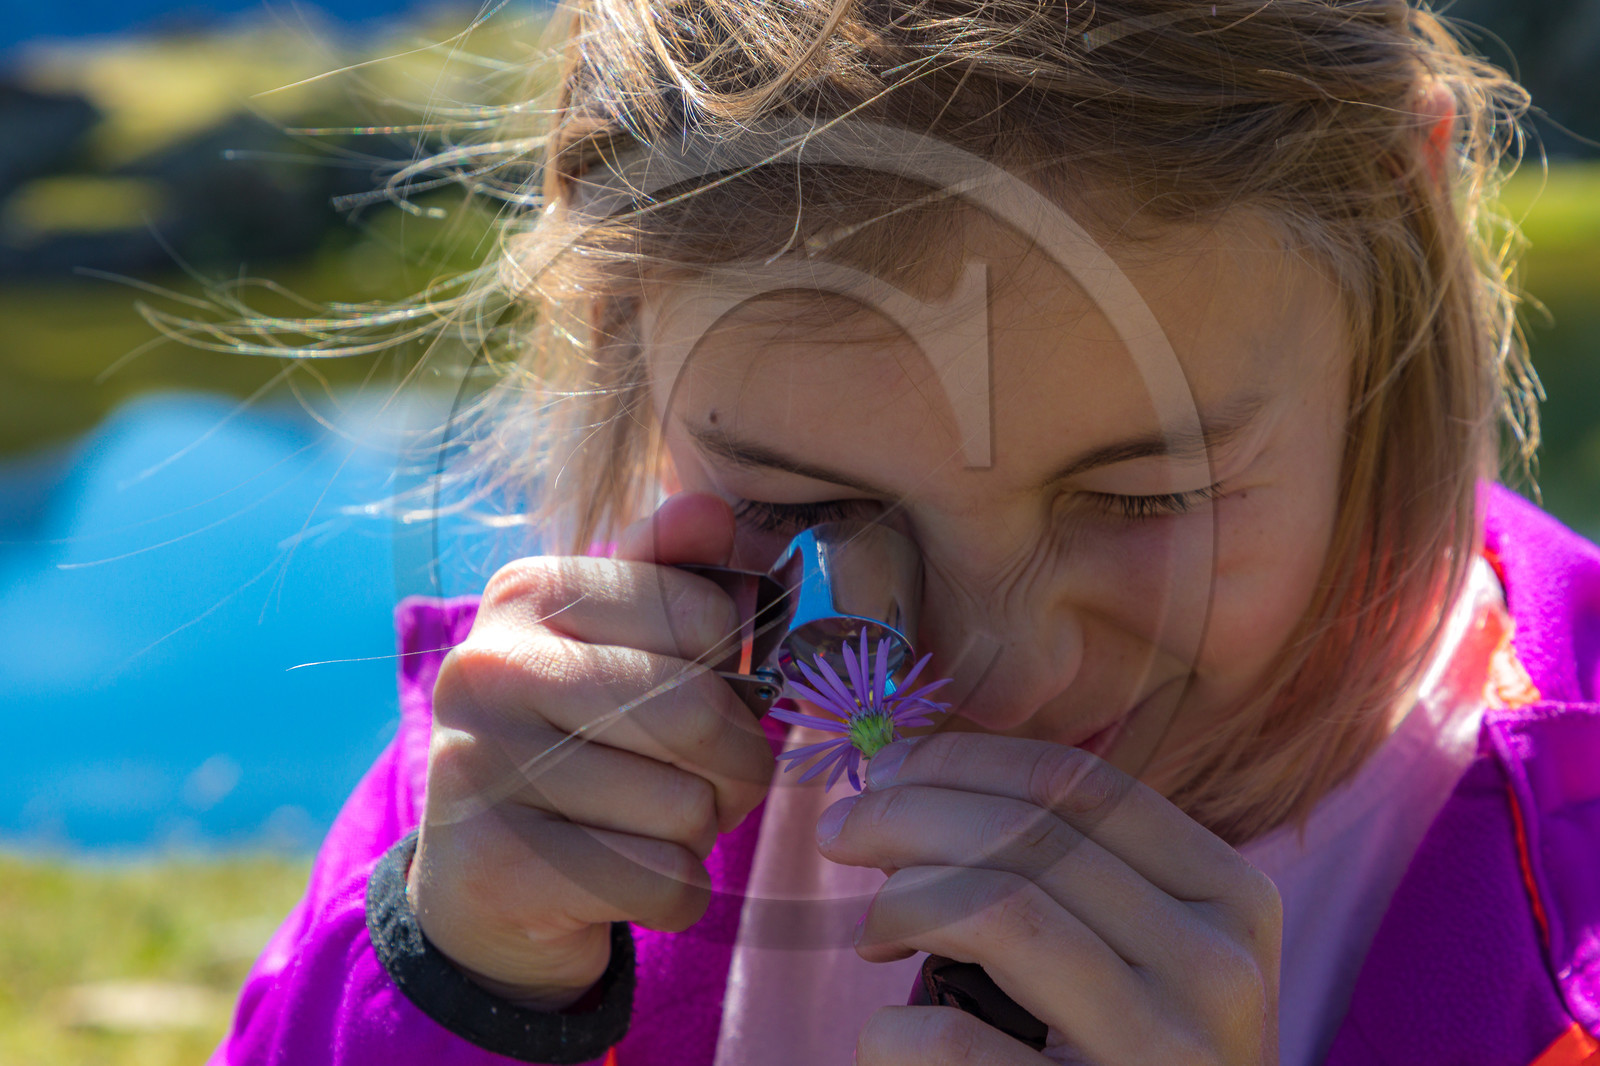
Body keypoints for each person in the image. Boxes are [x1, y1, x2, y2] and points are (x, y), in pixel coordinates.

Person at [209, 0, 1600, 1063]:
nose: (988, 672)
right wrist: (458, 986)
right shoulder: (553, 791)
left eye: (1143, 496)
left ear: (1401, 206)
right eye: (810, 510)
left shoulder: (1566, 890)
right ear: (625, 325)